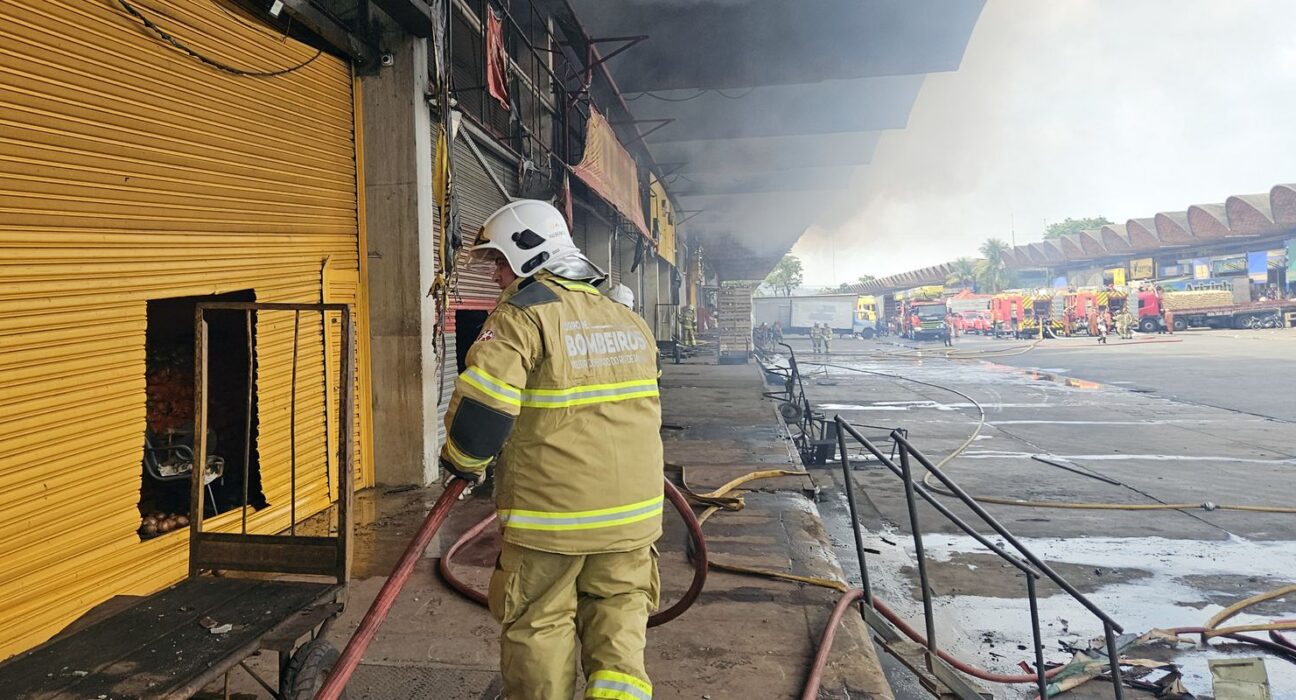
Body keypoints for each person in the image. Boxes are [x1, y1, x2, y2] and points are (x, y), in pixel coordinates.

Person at [439, 199, 663, 700]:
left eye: (498, 261)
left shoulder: (522, 316)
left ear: (526, 252)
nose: (496, 276)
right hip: (634, 522)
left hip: (552, 523)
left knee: (539, 626)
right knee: (620, 634)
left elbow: (484, 414)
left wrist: (461, 464)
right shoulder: (627, 319)